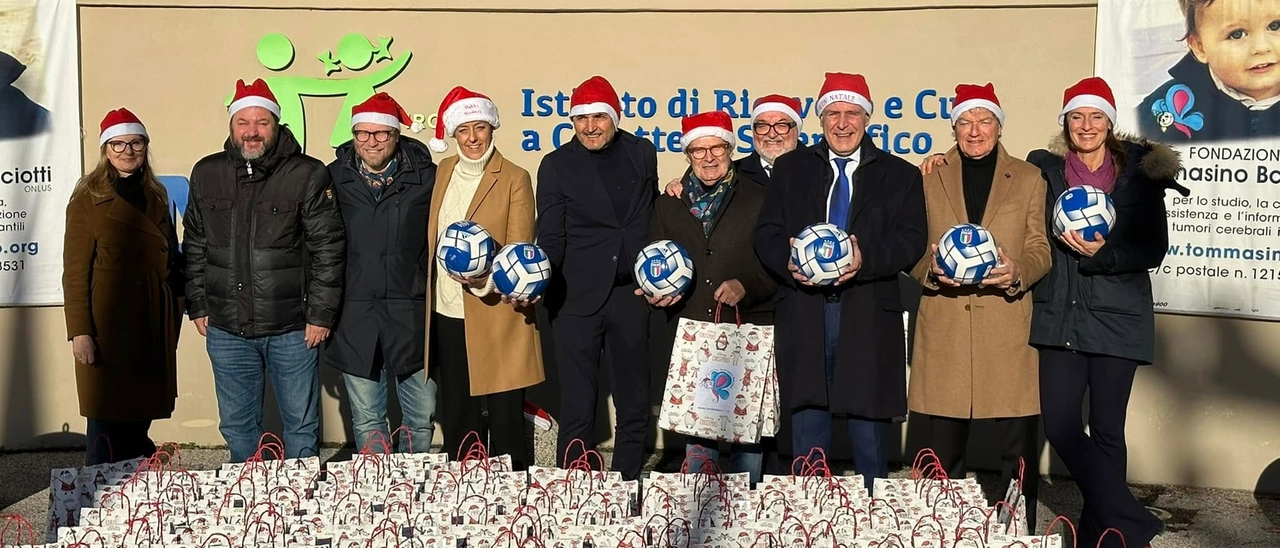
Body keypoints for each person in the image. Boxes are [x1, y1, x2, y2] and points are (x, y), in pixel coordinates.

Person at [1029, 77, 1186, 548]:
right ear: (1065, 123)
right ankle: (1131, 520)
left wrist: (1102, 254)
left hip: (1118, 317)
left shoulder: (1140, 174)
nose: (1086, 125)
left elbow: (1152, 248)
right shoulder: (1047, 172)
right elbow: (1001, 178)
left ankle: (1106, 535)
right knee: (1059, 424)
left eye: (1096, 116)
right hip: (1060, 314)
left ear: (1110, 121)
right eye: (1076, 116)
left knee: (1107, 431)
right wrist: (939, 160)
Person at [754, 72, 927, 490]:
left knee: (869, 428)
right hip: (805, 310)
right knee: (807, 423)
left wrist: (865, 259)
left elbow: (912, 239)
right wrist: (788, 262)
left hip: (866, 311)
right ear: (821, 119)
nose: (843, 123)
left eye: (852, 113)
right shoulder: (792, 168)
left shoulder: (899, 174)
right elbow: (767, 232)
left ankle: (871, 517)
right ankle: (808, 518)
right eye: (833, 113)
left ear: (867, 119)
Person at [909, 83, 1051, 529]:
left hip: (1007, 330)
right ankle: (937, 531)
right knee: (939, 453)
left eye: (984, 121)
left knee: (1017, 455)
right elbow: (911, 245)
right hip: (946, 324)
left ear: (999, 125)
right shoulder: (929, 175)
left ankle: (1016, 533)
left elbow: (1040, 247)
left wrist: (1017, 273)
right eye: (965, 122)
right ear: (954, 127)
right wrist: (929, 272)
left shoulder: (1028, 177)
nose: (975, 131)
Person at [183, 78, 345, 462]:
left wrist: (320, 314)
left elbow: (328, 248)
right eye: (243, 122)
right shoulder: (207, 173)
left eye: (262, 122)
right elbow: (195, 243)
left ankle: (302, 499)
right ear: (231, 126)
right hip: (227, 328)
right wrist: (199, 304)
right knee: (238, 425)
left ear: (276, 125)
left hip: (292, 327)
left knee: (300, 425)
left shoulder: (307, 173)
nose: (252, 131)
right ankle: (253, 501)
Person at [536, 75, 659, 480]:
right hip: (575, 297)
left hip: (632, 294)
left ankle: (626, 479)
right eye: (581, 118)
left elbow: (650, 213)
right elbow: (551, 236)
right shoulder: (555, 165)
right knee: (577, 400)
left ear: (615, 117)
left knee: (634, 398)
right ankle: (573, 485)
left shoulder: (642, 153)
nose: (590, 126)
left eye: (598, 117)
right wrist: (536, 280)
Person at [646, 111, 777, 485]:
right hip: (691, 333)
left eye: (716, 147)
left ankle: (745, 512)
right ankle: (700, 514)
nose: (708, 157)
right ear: (687, 154)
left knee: (746, 432)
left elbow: (779, 266)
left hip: (746, 329)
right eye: (697, 150)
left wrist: (747, 285)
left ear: (730, 148)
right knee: (698, 433)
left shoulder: (759, 197)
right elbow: (653, 257)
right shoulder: (668, 202)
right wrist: (654, 292)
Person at [425, 86, 543, 469]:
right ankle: (465, 501)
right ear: (453, 134)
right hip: (448, 311)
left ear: (492, 128)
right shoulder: (443, 171)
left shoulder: (514, 177)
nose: (473, 138)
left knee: (505, 418)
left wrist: (484, 283)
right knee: (459, 415)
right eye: (463, 129)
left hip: (495, 314)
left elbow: (520, 251)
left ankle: (509, 507)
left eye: (480, 127)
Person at [62, 108, 184, 465]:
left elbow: (169, 253)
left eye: (135, 143)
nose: (127, 151)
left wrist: (177, 306)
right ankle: (98, 501)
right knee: (106, 423)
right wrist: (80, 331)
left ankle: (135, 497)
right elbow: (74, 272)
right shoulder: (87, 198)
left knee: (138, 418)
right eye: (118, 144)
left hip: (151, 321)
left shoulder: (157, 194)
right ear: (105, 149)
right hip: (108, 326)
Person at [322, 92, 438, 454]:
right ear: (353, 135)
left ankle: (415, 496)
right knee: (368, 420)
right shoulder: (332, 177)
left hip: (412, 312)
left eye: (381, 134)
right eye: (363, 134)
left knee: (420, 417)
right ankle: (377, 499)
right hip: (355, 313)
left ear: (396, 135)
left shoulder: (427, 178)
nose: (371, 142)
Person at [1137, 0, 1280, 141]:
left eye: (1275, 26)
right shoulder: (1169, 104)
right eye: (1237, 34)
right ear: (1200, 47)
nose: (1261, 47)